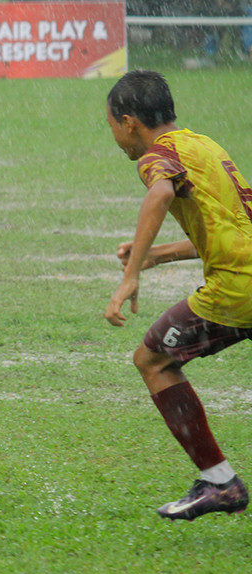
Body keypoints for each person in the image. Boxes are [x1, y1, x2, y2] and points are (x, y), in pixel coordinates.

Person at [104, 69, 252, 521]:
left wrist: (130, 275)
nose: (115, 137)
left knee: (152, 359)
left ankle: (219, 481)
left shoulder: (157, 156)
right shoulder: (204, 145)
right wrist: (156, 255)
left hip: (239, 289)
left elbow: (160, 194)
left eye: (111, 126)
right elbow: (230, 228)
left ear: (129, 122)